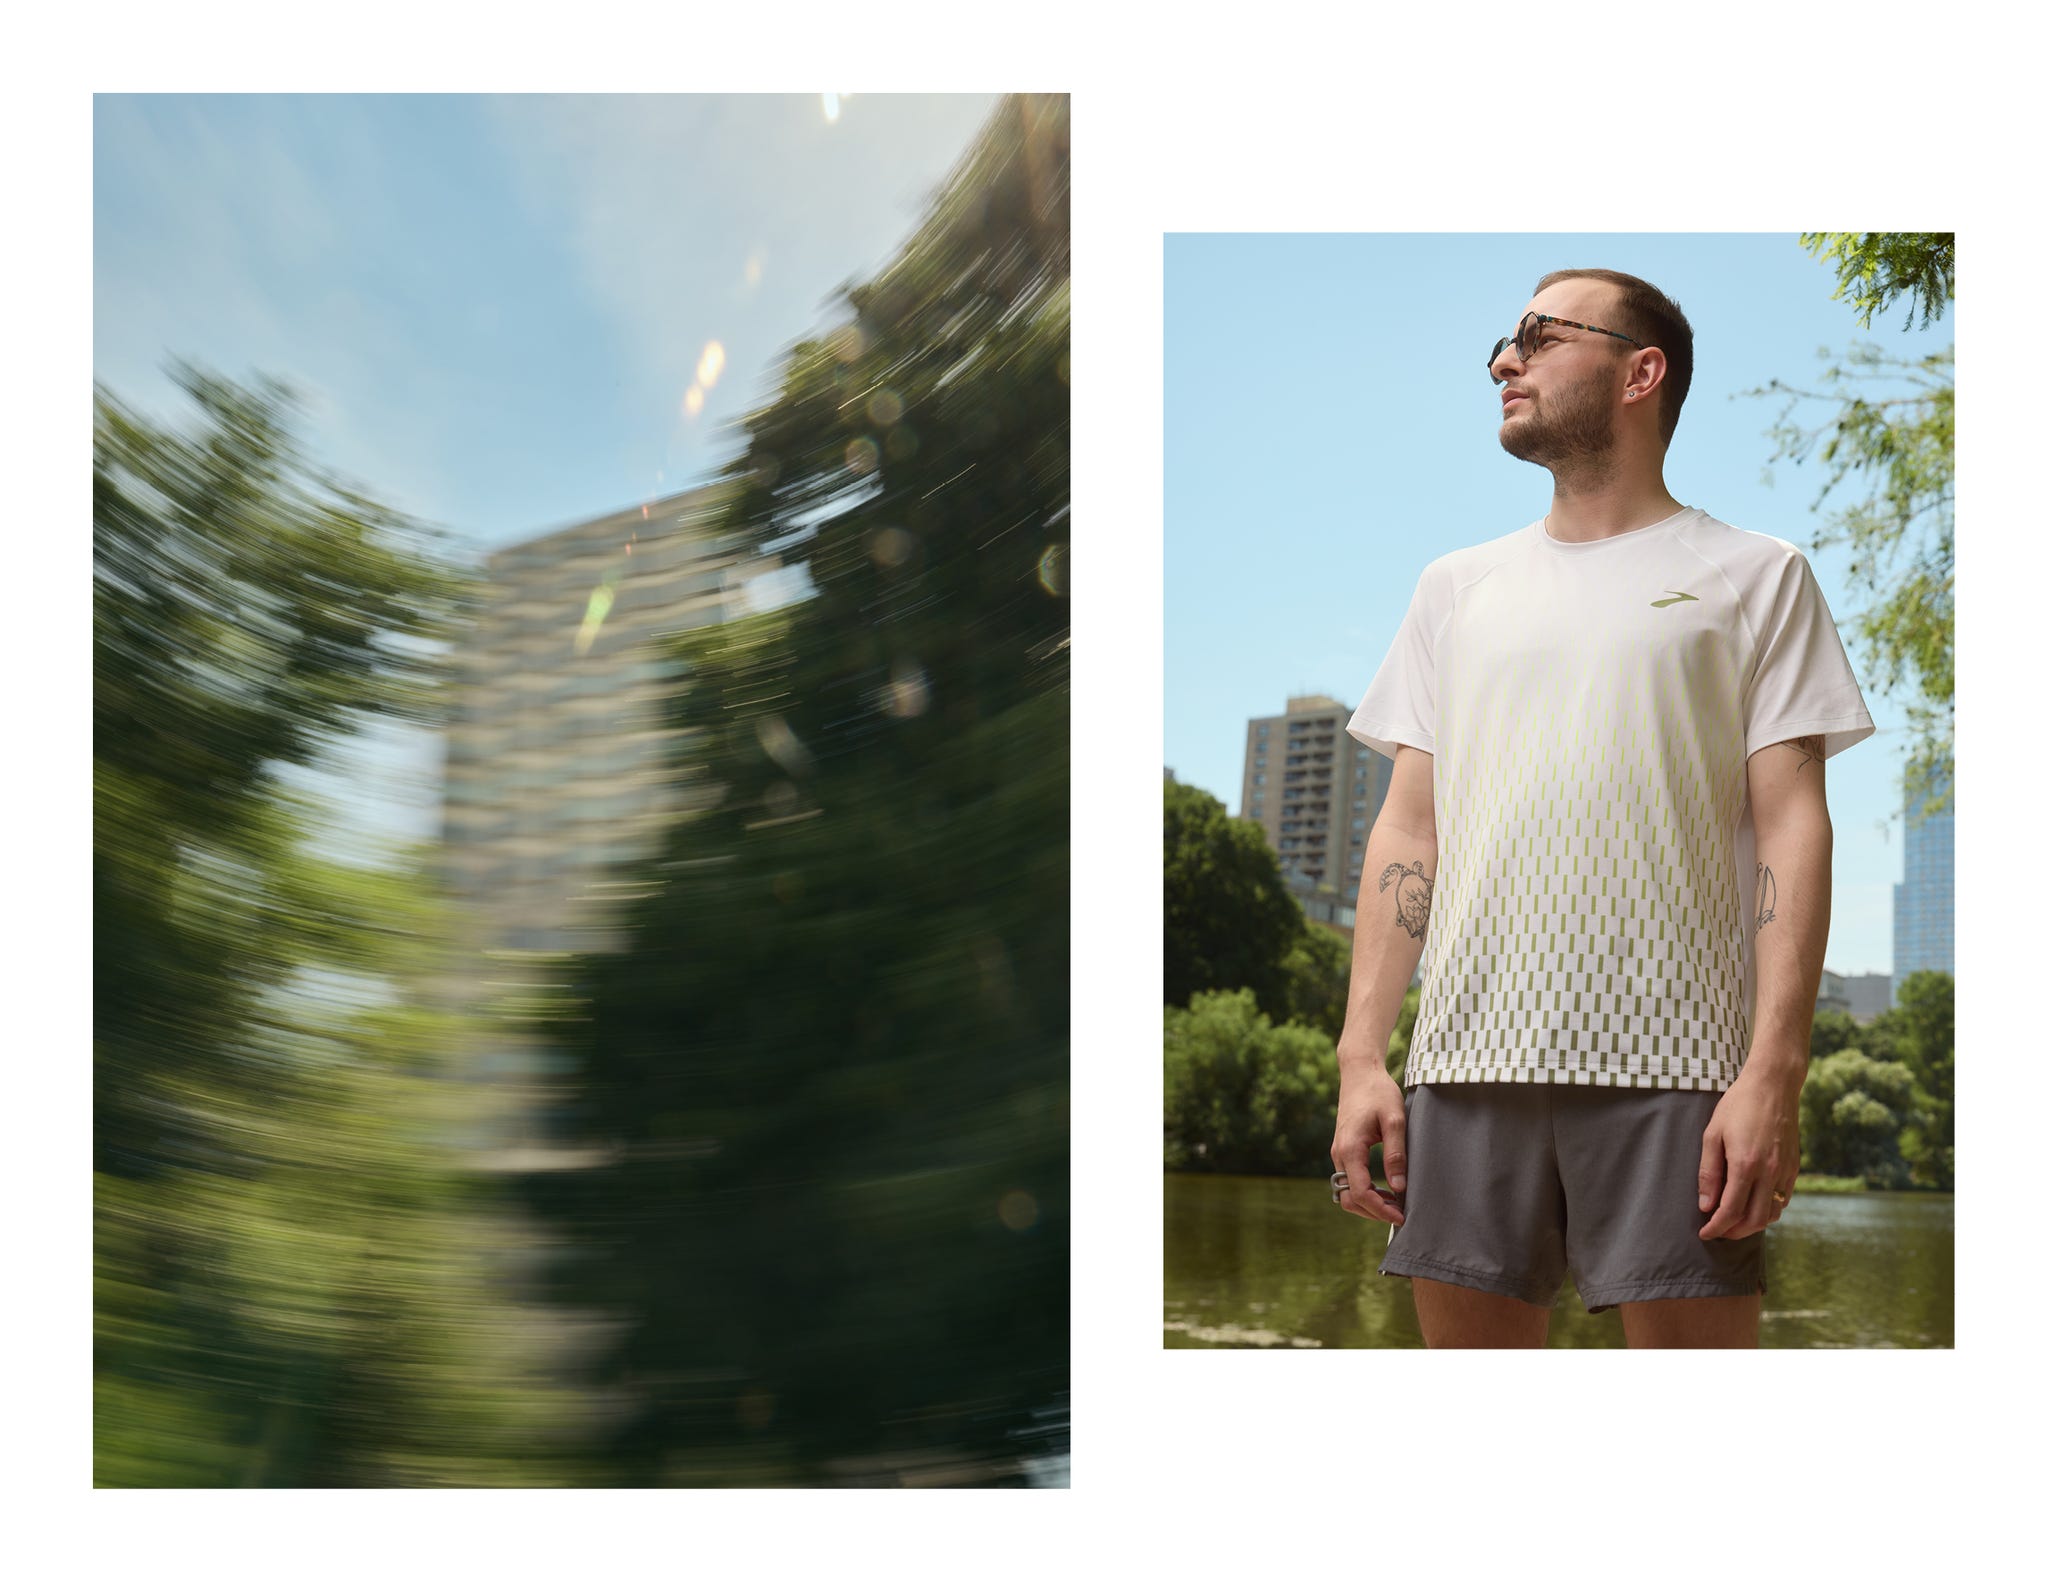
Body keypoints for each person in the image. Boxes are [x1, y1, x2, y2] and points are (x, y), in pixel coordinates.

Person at [1330, 268, 1875, 1348]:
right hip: (1464, 1065)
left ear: (1640, 371)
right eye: (1503, 340)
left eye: (1536, 336)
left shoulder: (1755, 574)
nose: (1502, 360)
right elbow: (1407, 829)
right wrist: (1359, 1057)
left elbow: (1790, 827)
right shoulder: (1454, 586)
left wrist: (1772, 1073)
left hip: (1681, 1073)